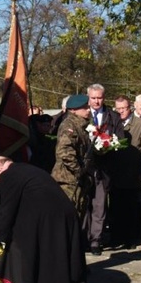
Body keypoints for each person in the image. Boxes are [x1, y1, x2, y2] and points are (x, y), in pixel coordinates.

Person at [0, 156, 92, 283]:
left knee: (35, 247)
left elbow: (6, 210)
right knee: (63, 253)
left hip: (48, 218)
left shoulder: (8, 175)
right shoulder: (29, 169)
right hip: (68, 213)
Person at [109, 96, 141, 249]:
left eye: (124, 108)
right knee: (115, 207)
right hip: (114, 173)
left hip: (133, 172)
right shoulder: (111, 123)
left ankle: (131, 239)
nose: (121, 111)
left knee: (132, 208)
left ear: (131, 108)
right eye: (118, 109)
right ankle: (116, 237)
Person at [86, 83, 125, 255]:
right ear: (88, 98)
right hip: (85, 168)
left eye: (99, 98)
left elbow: (121, 138)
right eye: (93, 98)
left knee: (99, 205)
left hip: (105, 168)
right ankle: (83, 237)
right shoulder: (82, 114)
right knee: (84, 204)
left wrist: (109, 145)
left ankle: (96, 240)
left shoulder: (112, 116)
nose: (96, 101)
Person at [51, 94, 93, 223]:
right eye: (85, 107)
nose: (89, 110)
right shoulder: (69, 126)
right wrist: (78, 170)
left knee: (78, 215)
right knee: (68, 216)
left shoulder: (81, 125)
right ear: (73, 110)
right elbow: (65, 152)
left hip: (78, 179)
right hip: (67, 180)